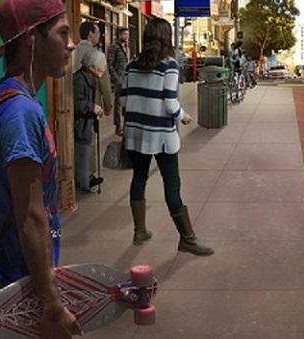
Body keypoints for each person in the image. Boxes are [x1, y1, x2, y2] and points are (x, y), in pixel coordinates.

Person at [0, 0, 81, 336]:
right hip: (19, 293)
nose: (71, 44)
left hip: (17, 284)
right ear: (32, 40)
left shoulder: (4, 97)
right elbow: (31, 217)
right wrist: (51, 304)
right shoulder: (20, 112)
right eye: (63, 33)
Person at [119, 18, 213, 256]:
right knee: (172, 184)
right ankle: (187, 238)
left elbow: (122, 99)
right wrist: (184, 116)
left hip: (136, 133)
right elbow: (171, 104)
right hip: (161, 135)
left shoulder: (132, 65)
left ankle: (139, 230)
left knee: (139, 178)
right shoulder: (169, 66)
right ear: (166, 38)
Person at [73, 21, 112, 189]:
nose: (99, 36)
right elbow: (104, 83)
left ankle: (76, 175)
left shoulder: (72, 51)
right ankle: (86, 177)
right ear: (90, 34)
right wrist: (108, 105)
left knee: (75, 141)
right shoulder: (97, 55)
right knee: (88, 141)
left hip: (72, 103)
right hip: (90, 104)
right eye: (97, 33)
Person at [73, 51, 106, 194]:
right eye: (102, 66)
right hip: (81, 123)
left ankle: (86, 180)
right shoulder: (80, 79)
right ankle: (84, 183)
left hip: (86, 121)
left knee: (86, 152)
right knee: (83, 153)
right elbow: (76, 103)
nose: (104, 69)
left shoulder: (89, 78)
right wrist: (92, 107)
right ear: (92, 67)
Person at [107, 27, 130, 136]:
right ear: (119, 35)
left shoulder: (127, 48)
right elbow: (109, 64)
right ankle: (118, 126)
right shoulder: (114, 47)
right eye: (124, 34)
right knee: (118, 104)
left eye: (127, 34)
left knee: (126, 103)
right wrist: (116, 79)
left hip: (127, 79)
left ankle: (126, 125)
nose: (126, 37)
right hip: (119, 79)